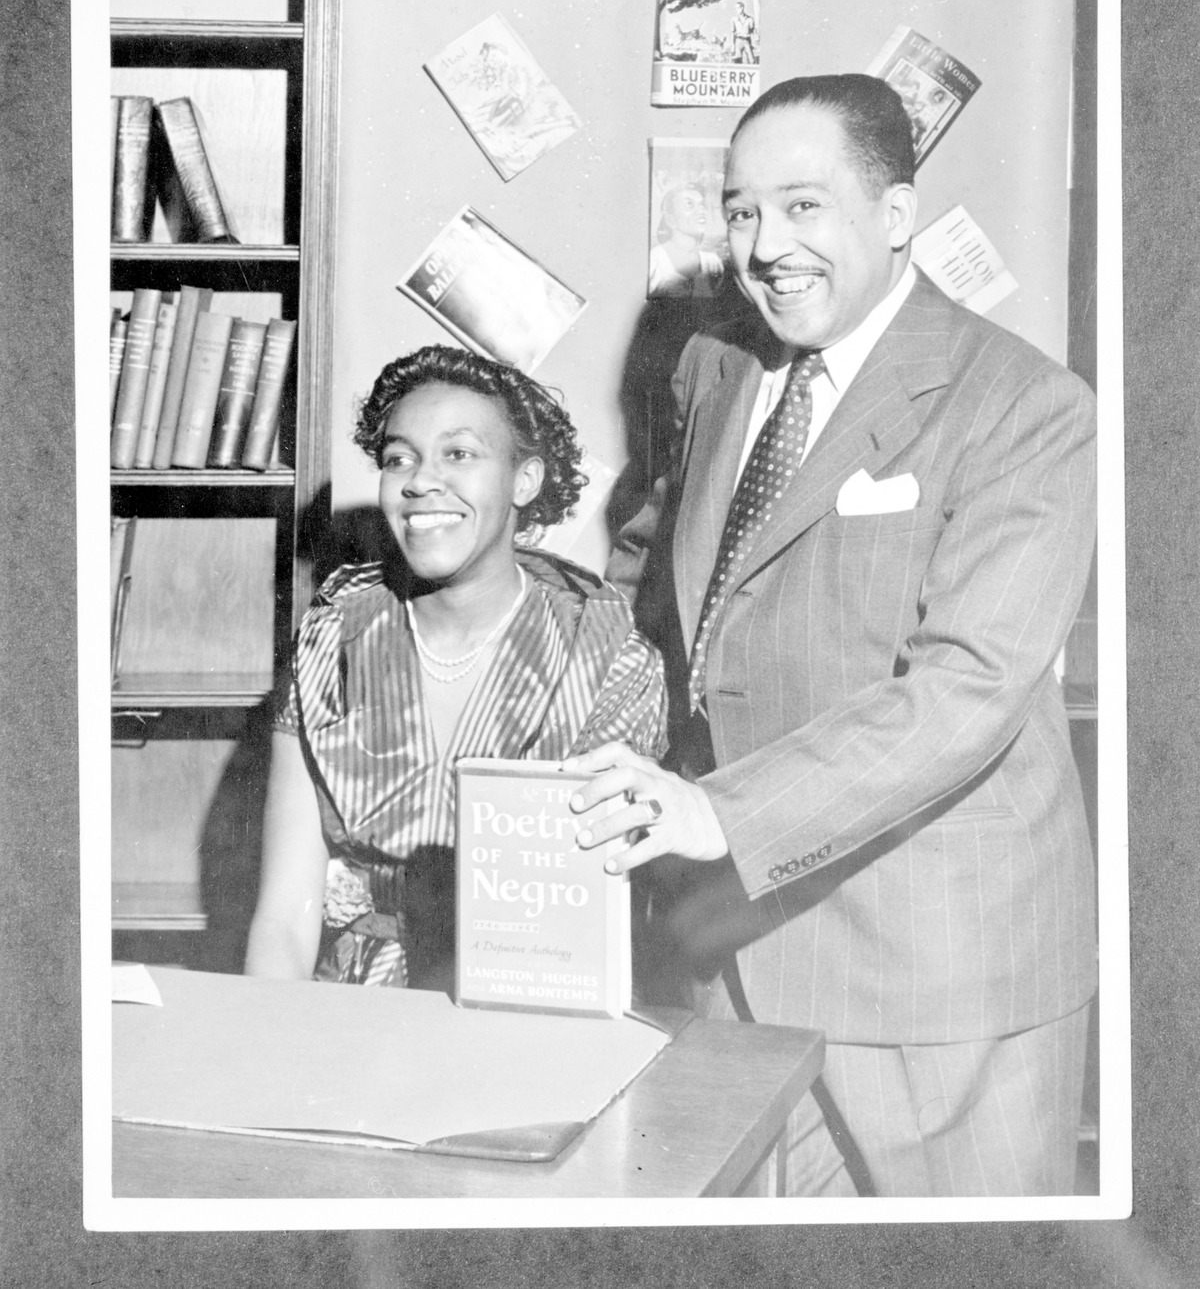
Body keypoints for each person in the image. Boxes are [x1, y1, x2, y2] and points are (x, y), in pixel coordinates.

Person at [567, 74, 1097, 1197]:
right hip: (730, 956)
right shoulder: (716, 370)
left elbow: (969, 689)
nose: (765, 245)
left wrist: (718, 812)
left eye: (803, 205)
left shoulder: (1023, 405)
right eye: (743, 209)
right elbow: (658, 577)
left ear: (896, 215)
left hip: (936, 976)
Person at [245, 345, 667, 992]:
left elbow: (588, 938)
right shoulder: (331, 638)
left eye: (459, 454)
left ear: (524, 480)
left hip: (526, 1015)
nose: (418, 481)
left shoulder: (606, 656)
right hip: (345, 1017)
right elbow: (283, 921)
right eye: (398, 458)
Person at [648, 184, 725, 299]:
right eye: (689, 204)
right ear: (670, 220)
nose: (701, 211)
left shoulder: (712, 263)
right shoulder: (654, 262)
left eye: (701, 205)